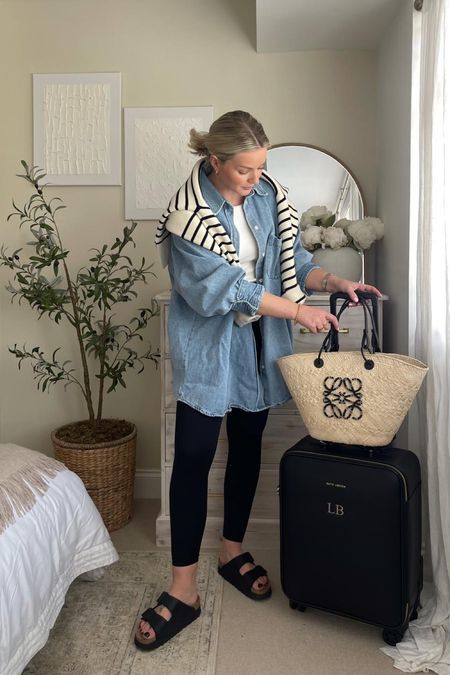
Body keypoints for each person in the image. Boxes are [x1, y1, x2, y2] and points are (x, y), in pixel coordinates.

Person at [134, 110, 382, 651]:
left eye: (261, 167)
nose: (255, 178)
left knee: (248, 448)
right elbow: (227, 291)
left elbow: (290, 265)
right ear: (215, 161)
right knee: (194, 460)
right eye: (245, 170)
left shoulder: (270, 196)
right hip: (210, 348)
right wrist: (297, 315)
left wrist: (336, 280)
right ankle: (183, 590)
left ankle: (231, 551)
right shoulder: (187, 217)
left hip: (258, 347)